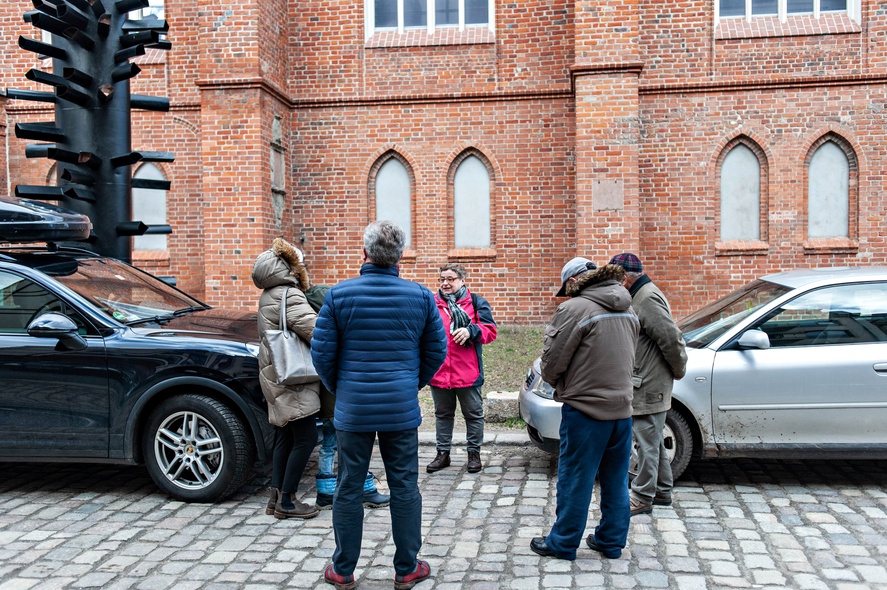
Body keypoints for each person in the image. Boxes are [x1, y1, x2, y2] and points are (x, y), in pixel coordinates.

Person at [311, 220, 447, 590]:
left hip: (353, 408)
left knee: (348, 485)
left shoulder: (339, 296)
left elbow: (321, 354)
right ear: (400, 256)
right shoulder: (420, 296)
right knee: (405, 485)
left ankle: (343, 569)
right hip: (399, 407)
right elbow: (436, 351)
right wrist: (409, 384)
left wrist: (343, 389)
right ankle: (407, 568)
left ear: (365, 252)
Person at [530, 257, 639, 560]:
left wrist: (559, 382)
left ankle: (563, 542)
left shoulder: (574, 309)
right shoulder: (627, 305)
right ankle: (611, 541)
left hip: (586, 410)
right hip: (622, 409)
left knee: (576, 479)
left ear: (573, 281)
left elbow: (552, 363)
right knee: (616, 480)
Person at [609, 253, 687, 517]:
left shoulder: (647, 298)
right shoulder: (640, 295)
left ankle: (642, 496)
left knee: (646, 443)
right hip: (645, 379)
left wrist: (679, 370)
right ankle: (662, 490)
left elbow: (671, 338)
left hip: (650, 382)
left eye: (616, 279)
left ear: (625, 277)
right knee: (651, 440)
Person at [252, 237, 321, 520]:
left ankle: (276, 497)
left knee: (285, 435)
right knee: (306, 438)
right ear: (290, 267)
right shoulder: (289, 295)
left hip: (274, 372)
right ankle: (289, 502)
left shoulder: (269, 293)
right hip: (294, 377)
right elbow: (315, 331)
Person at [305, 287, 391, 511]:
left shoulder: (319, 325)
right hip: (343, 400)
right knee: (355, 446)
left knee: (330, 444)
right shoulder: (337, 328)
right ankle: (364, 488)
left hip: (329, 399)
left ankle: (326, 491)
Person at [426, 263, 498, 474]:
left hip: (468, 372)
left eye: (451, 279)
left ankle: (473, 454)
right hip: (439, 372)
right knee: (443, 414)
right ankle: (443, 453)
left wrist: (470, 331)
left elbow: (490, 331)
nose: (445, 283)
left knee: (473, 415)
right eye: (442, 279)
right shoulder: (431, 303)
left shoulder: (476, 302)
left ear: (462, 280)